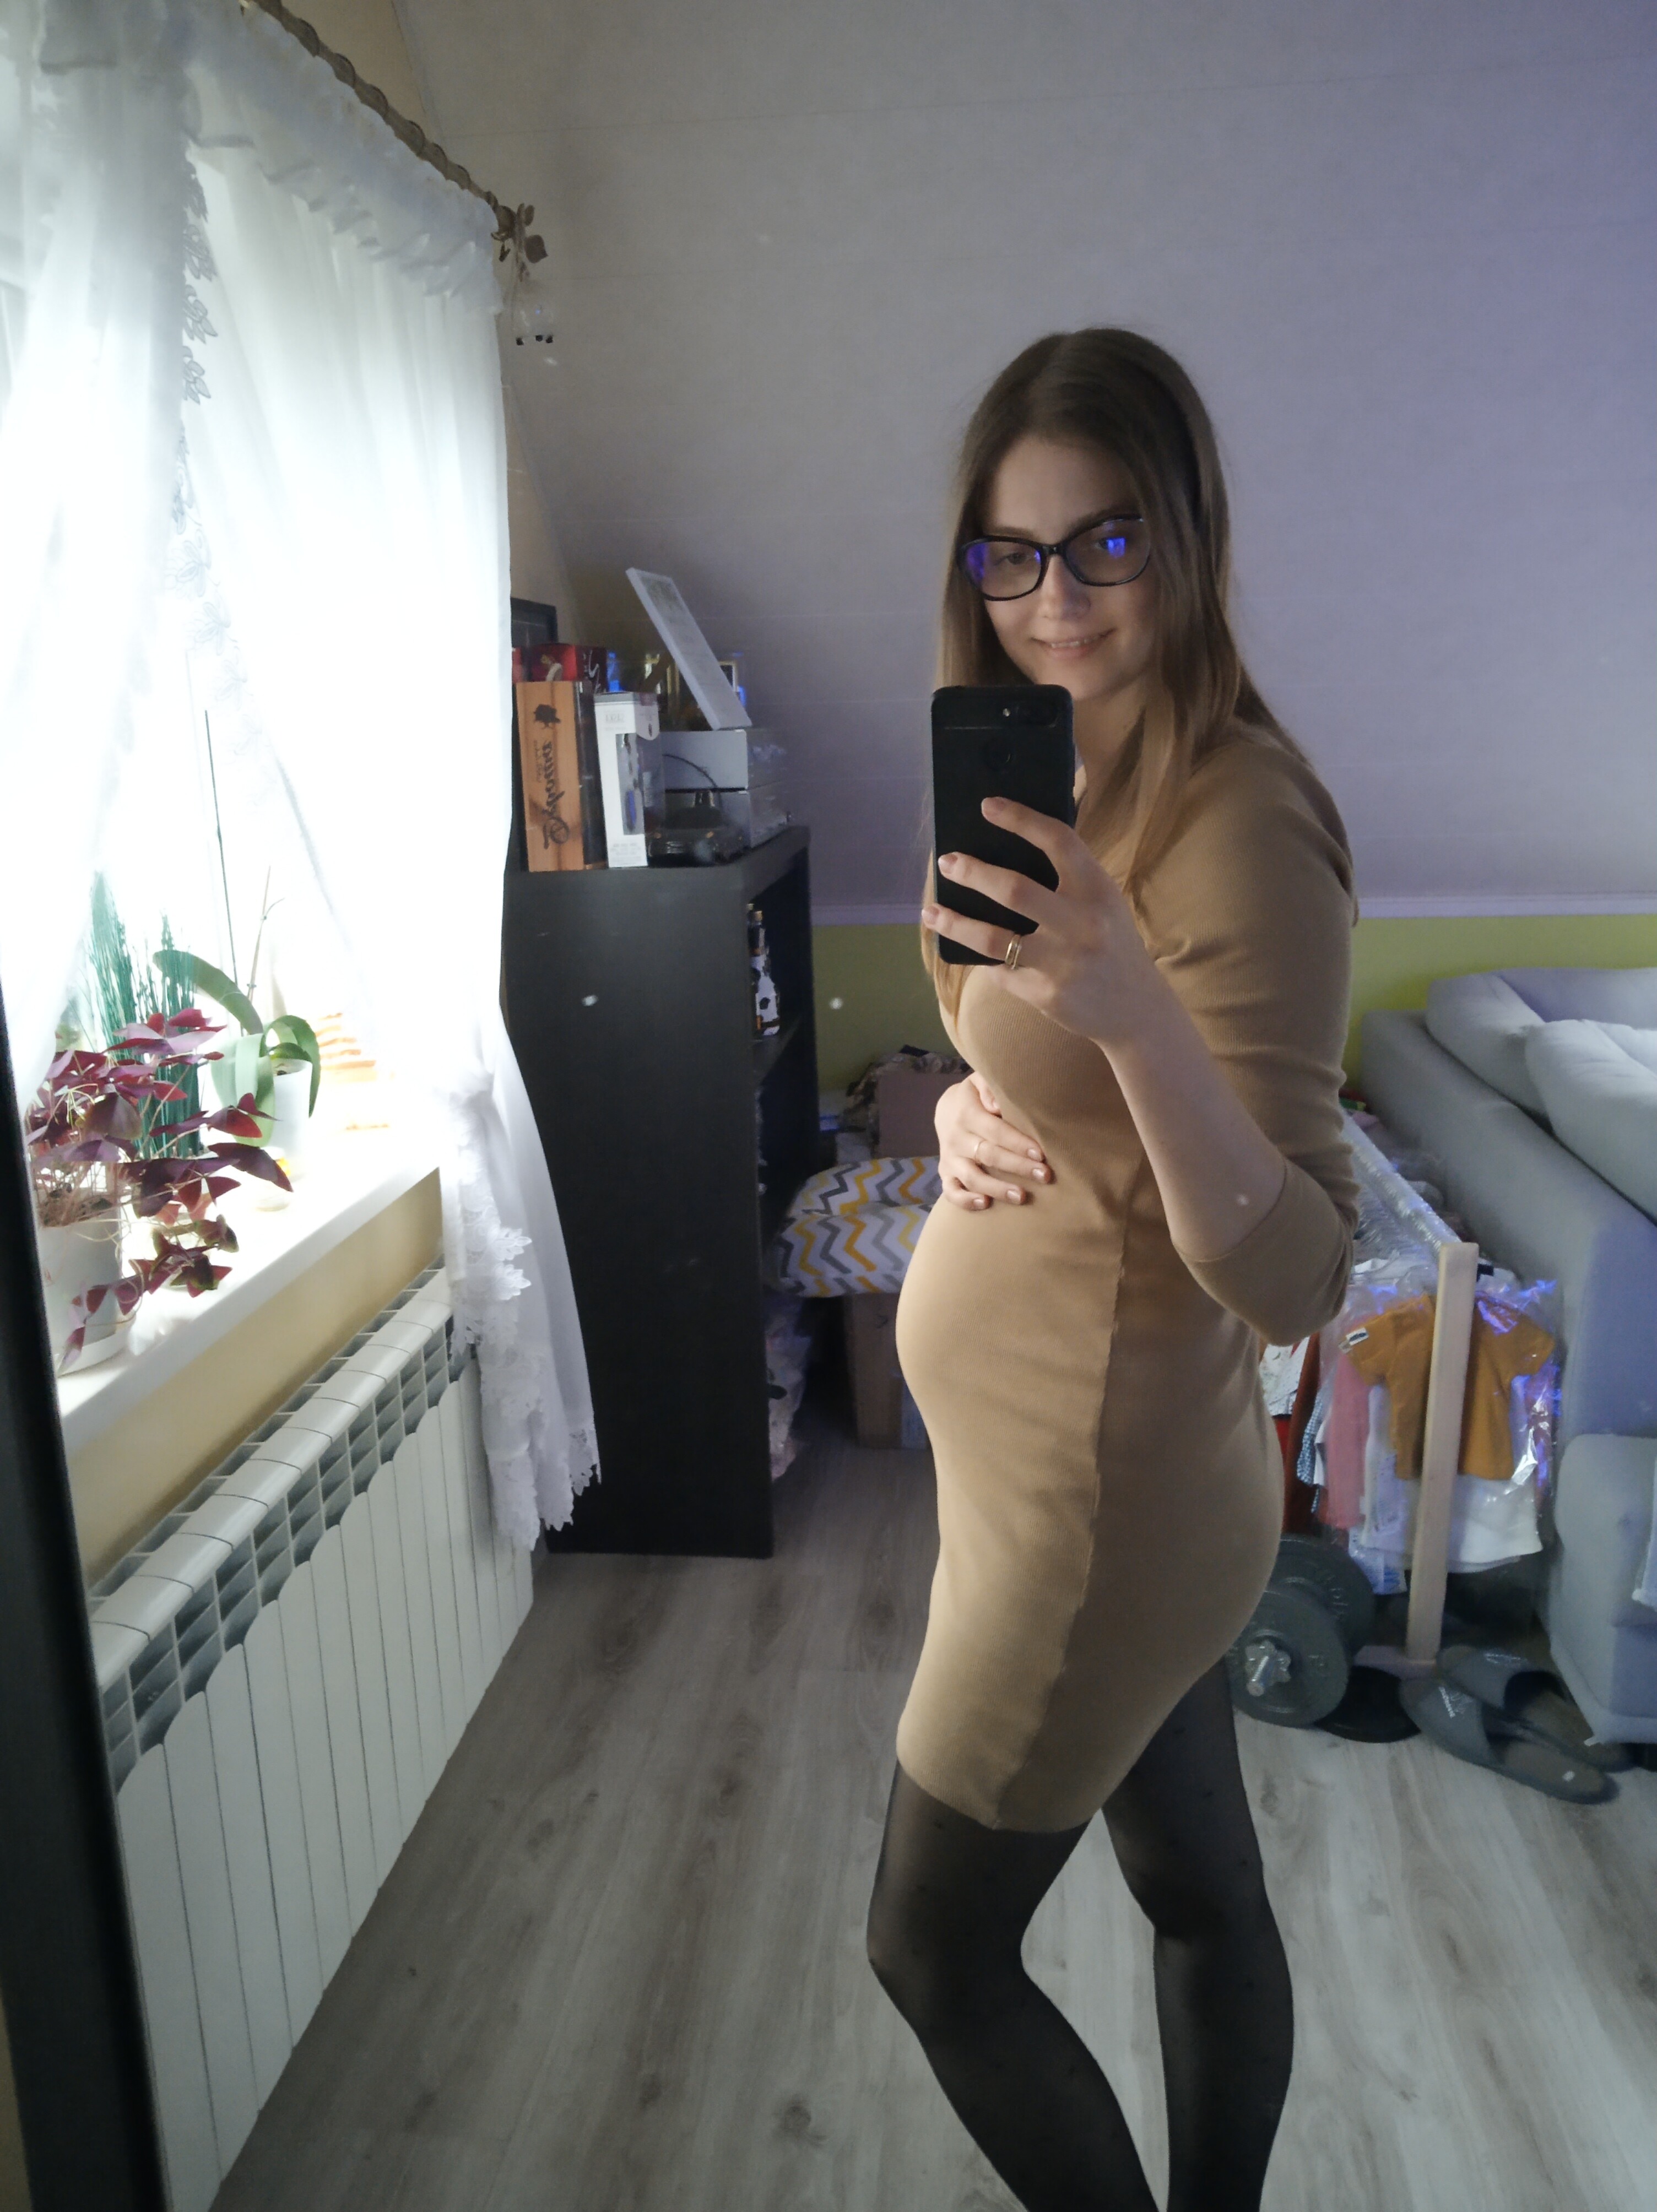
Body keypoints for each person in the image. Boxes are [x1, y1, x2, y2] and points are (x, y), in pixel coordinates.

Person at [864, 328, 1358, 2212]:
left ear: (1187, 539)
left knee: (933, 1951)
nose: (1054, 601)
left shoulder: (1243, 825)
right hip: (1103, 1486)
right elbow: (998, 1019)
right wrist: (967, 1106)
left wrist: (1136, 1014)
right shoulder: (1048, 759)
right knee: (1201, 1895)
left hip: (1104, 1513)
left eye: (1106, 546)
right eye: (1013, 553)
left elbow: (1302, 1276)